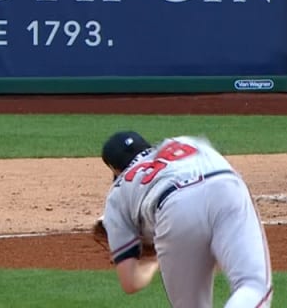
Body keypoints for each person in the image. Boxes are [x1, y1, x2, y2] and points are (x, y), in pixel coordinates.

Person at [99, 131, 272, 306]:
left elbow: (131, 282)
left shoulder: (117, 191)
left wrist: (152, 258)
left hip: (174, 208)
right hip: (224, 185)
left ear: (116, 169)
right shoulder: (182, 142)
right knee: (252, 286)